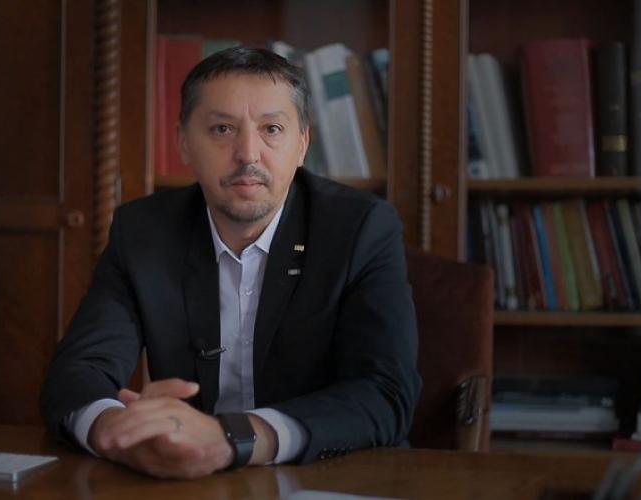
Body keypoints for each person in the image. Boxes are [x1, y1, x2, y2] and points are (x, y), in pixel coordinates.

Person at [40, 46, 420, 479]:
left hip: (330, 475)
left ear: (302, 144)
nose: (248, 154)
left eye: (272, 129)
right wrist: (115, 429)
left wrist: (234, 439)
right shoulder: (144, 231)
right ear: (184, 142)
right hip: (188, 480)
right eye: (222, 129)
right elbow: (79, 371)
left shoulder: (360, 229)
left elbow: (386, 393)